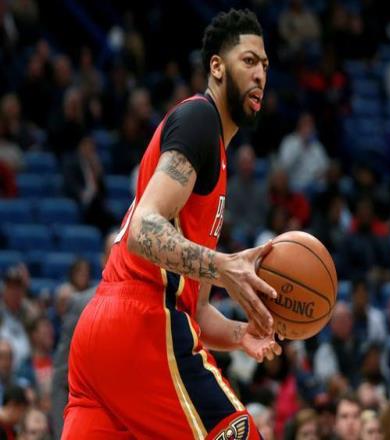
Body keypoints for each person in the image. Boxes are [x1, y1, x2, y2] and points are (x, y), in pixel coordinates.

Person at [62, 9, 282, 439]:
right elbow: (144, 229)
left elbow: (196, 311)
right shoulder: (200, 120)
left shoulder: (214, 161)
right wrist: (224, 266)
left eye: (265, 65)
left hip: (101, 337)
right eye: (249, 61)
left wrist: (241, 333)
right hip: (142, 323)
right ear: (217, 66)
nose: (260, 74)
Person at [51, 230, 117, 439]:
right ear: (103, 260)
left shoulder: (152, 304)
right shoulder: (81, 304)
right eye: (115, 253)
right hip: (92, 420)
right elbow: (61, 373)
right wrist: (60, 431)